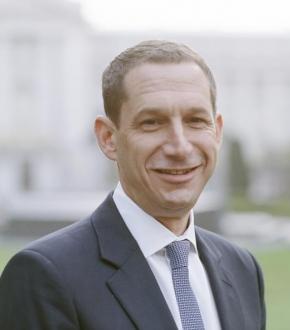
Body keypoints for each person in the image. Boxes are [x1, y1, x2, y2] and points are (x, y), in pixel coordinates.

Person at [0, 40, 266, 330]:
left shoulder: (242, 269)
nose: (179, 146)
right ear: (108, 138)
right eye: (152, 122)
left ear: (217, 132)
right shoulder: (44, 276)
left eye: (195, 120)